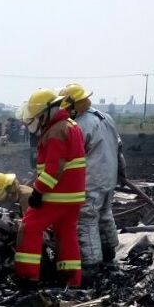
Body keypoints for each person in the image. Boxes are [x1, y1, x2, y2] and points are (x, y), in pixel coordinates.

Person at [14, 88, 86, 287]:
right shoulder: (70, 125)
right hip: (73, 196)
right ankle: (71, 279)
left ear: (46, 113)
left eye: (36, 117)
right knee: (67, 234)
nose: (34, 122)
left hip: (57, 195)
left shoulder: (55, 131)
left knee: (29, 227)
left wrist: (38, 191)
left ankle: (27, 276)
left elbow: (54, 168)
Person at [60, 83, 127, 283]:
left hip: (90, 180)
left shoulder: (79, 126)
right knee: (105, 214)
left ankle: (91, 265)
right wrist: (121, 172)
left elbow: (69, 157)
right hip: (108, 178)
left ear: (74, 105)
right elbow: (119, 148)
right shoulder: (106, 117)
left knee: (86, 219)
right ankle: (109, 253)